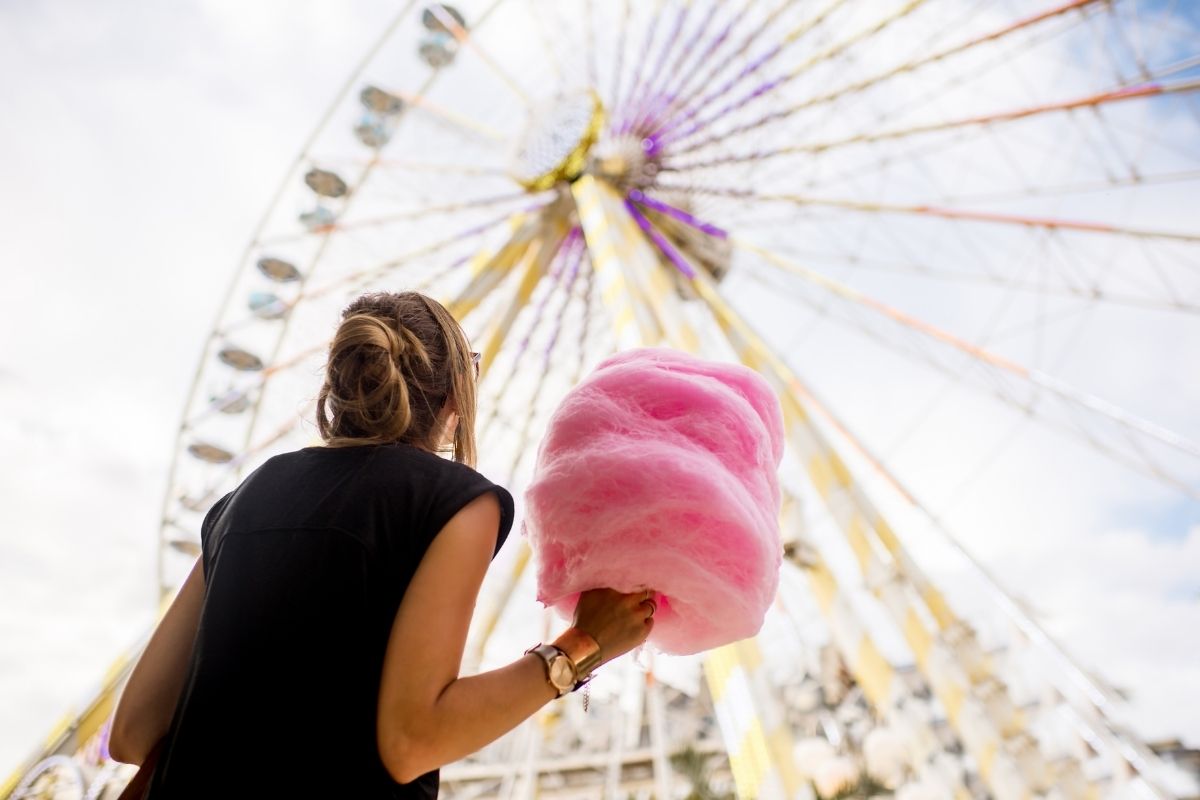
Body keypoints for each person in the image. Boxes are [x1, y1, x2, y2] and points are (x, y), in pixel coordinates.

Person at [109, 290, 656, 797]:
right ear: (453, 395)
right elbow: (412, 742)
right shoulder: (455, 500)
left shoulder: (241, 499)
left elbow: (132, 733)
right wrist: (583, 645)